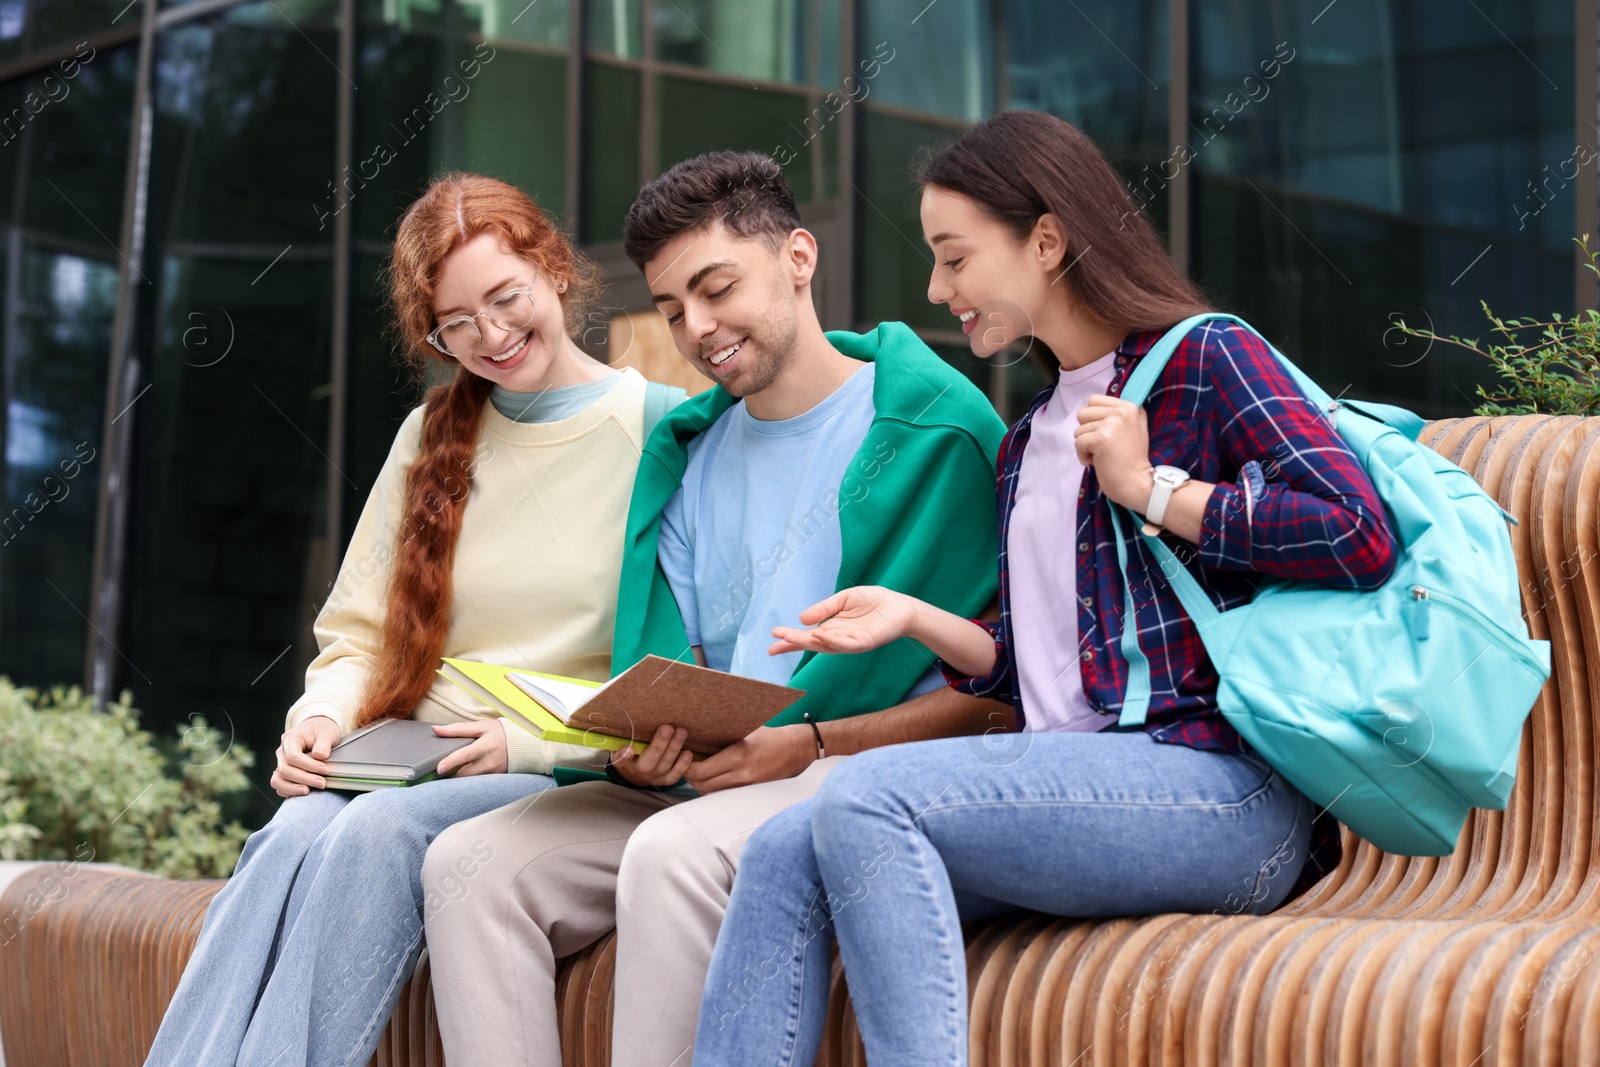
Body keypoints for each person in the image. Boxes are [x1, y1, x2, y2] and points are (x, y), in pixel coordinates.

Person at [693, 109, 1401, 1067]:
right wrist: (918, 620)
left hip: (1221, 795)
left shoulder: (1204, 358)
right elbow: (1047, 676)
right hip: (1074, 794)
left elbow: (1358, 531)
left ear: (1049, 239)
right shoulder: (1027, 437)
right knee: (783, 853)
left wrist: (1155, 490)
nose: (937, 288)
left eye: (954, 256)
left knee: (864, 797)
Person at [419, 150, 1013, 1067]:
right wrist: (650, 750)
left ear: (800, 258)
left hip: (849, 775)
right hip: (711, 785)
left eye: (716, 287)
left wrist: (810, 743)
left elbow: (1004, 699)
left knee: (674, 855)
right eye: (669, 310)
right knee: (466, 868)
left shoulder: (941, 430)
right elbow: (680, 675)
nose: (696, 329)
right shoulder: (687, 454)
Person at [143, 172, 684, 1067]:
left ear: (554, 269)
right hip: (403, 756)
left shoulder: (661, 428)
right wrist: (320, 720)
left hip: (553, 771)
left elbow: (676, 668)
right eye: (458, 324)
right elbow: (357, 634)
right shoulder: (431, 434)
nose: (492, 337)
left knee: (373, 832)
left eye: (506, 299)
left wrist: (527, 745)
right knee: (289, 835)